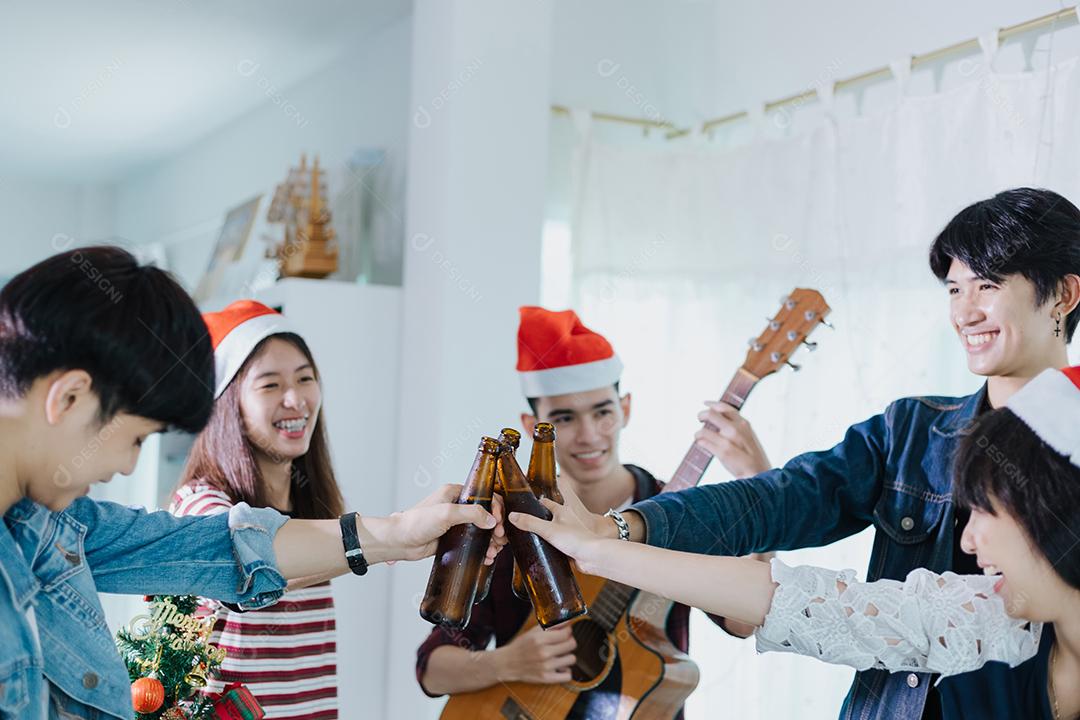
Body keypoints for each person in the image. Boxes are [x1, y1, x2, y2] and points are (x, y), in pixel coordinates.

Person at [533, 187, 1080, 719]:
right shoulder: (913, 430)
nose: (965, 313)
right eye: (954, 290)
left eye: (986, 285)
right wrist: (622, 529)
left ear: (1063, 295)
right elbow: (786, 505)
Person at [0, 247, 504, 720]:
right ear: (68, 399)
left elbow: (223, 549)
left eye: (305, 379)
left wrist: (400, 531)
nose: (130, 468)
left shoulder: (56, 526)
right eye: (137, 438)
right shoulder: (174, 500)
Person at [511, 364, 1080, 720]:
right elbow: (796, 598)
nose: (969, 536)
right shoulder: (987, 618)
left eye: (985, 511)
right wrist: (600, 542)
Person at [416, 307, 771, 717]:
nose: (588, 435)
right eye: (564, 418)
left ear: (626, 409)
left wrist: (759, 482)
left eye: (603, 412)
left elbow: (743, 621)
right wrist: (504, 662)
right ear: (532, 425)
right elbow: (432, 667)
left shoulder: (680, 510)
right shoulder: (510, 521)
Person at [171, 300, 347, 718]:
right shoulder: (200, 505)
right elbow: (258, 556)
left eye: (305, 379)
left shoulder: (310, 511)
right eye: (270, 385)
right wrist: (390, 538)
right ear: (229, 406)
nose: (296, 399)